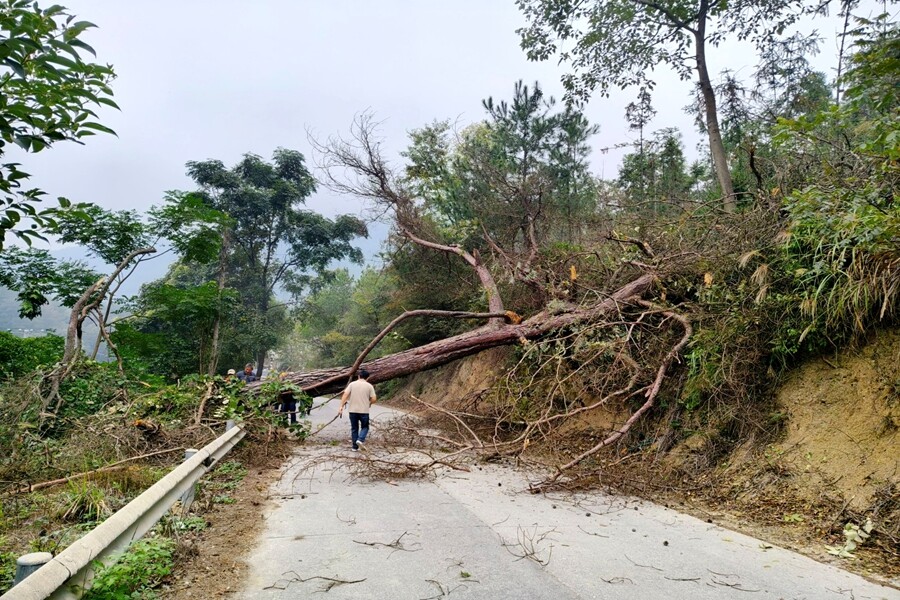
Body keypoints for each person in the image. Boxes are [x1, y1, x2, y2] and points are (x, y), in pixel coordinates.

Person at [338, 369, 376, 452]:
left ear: (359, 376)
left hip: (352, 410)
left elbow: (345, 394)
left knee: (354, 428)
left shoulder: (352, 384)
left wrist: (341, 406)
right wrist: (369, 403)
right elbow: (374, 399)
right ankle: (360, 439)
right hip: (364, 411)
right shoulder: (369, 386)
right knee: (365, 427)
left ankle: (354, 447)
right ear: (367, 378)